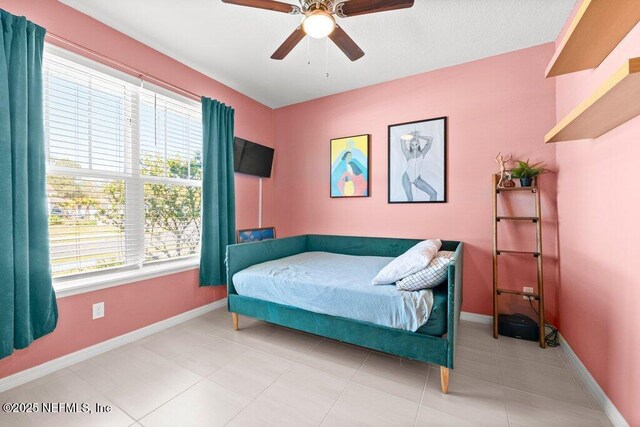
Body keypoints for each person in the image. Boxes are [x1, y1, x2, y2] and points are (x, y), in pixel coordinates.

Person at [400, 132, 437, 201]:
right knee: (410, 200)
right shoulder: (408, 154)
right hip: (406, 177)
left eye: (416, 144)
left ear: (419, 144)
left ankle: (432, 211)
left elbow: (430, 139)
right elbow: (402, 140)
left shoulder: (422, 153)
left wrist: (418, 136)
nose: (414, 146)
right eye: (412, 145)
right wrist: (411, 134)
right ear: (410, 146)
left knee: (434, 194)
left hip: (416, 178)